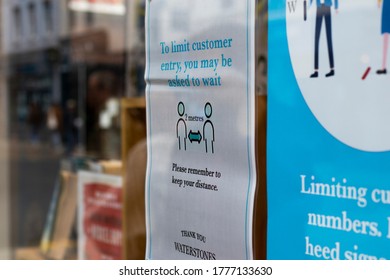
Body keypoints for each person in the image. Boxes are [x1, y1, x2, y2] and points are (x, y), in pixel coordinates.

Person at [310, 0, 339, 78]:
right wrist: (308, 5)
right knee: (316, 38)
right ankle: (316, 70)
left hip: (327, 7)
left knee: (329, 37)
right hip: (319, 7)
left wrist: (336, 6)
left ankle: (332, 69)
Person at [377, 0, 389, 74]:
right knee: (385, 35)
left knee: (386, 36)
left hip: (386, 5)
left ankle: (383, 67)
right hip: (387, 6)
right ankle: (383, 66)